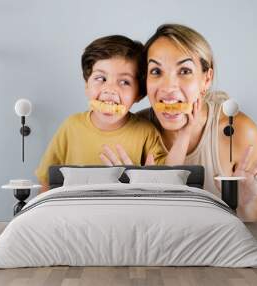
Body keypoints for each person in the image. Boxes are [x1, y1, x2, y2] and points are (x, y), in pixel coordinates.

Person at [101, 24, 257, 221]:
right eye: (156, 71)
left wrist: (242, 203)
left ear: (206, 79)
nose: (168, 87)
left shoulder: (236, 131)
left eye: (185, 70)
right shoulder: (132, 131)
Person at [35, 35, 186, 193]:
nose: (110, 89)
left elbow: (169, 176)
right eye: (101, 78)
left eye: (124, 82)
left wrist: (183, 135)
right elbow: (46, 181)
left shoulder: (145, 132)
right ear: (87, 84)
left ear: (139, 94)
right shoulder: (70, 127)